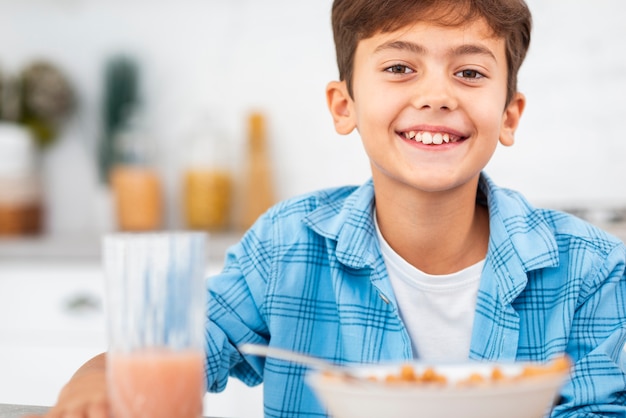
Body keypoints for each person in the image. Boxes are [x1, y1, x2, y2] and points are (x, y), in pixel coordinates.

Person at [31, 0, 626, 417]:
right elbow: (166, 352)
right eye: (399, 67)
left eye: (469, 72)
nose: (437, 95)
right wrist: (92, 392)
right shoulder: (287, 246)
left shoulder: (594, 267)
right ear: (343, 106)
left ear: (509, 115)